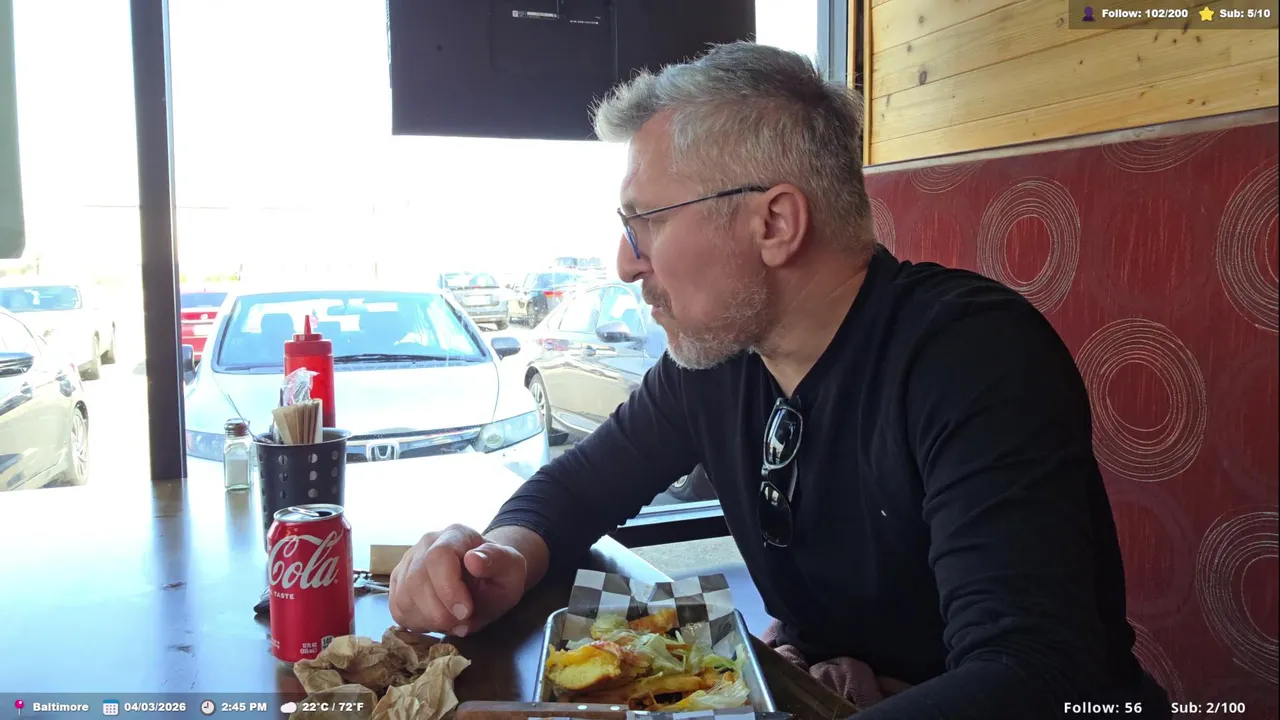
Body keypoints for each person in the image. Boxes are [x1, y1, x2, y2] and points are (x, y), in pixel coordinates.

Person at [388, 42, 1171, 718]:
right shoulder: (718, 363)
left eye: (645, 221)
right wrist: (500, 559)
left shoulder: (970, 356)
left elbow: (1032, 674)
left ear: (774, 223)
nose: (626, 261)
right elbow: (572, 492)